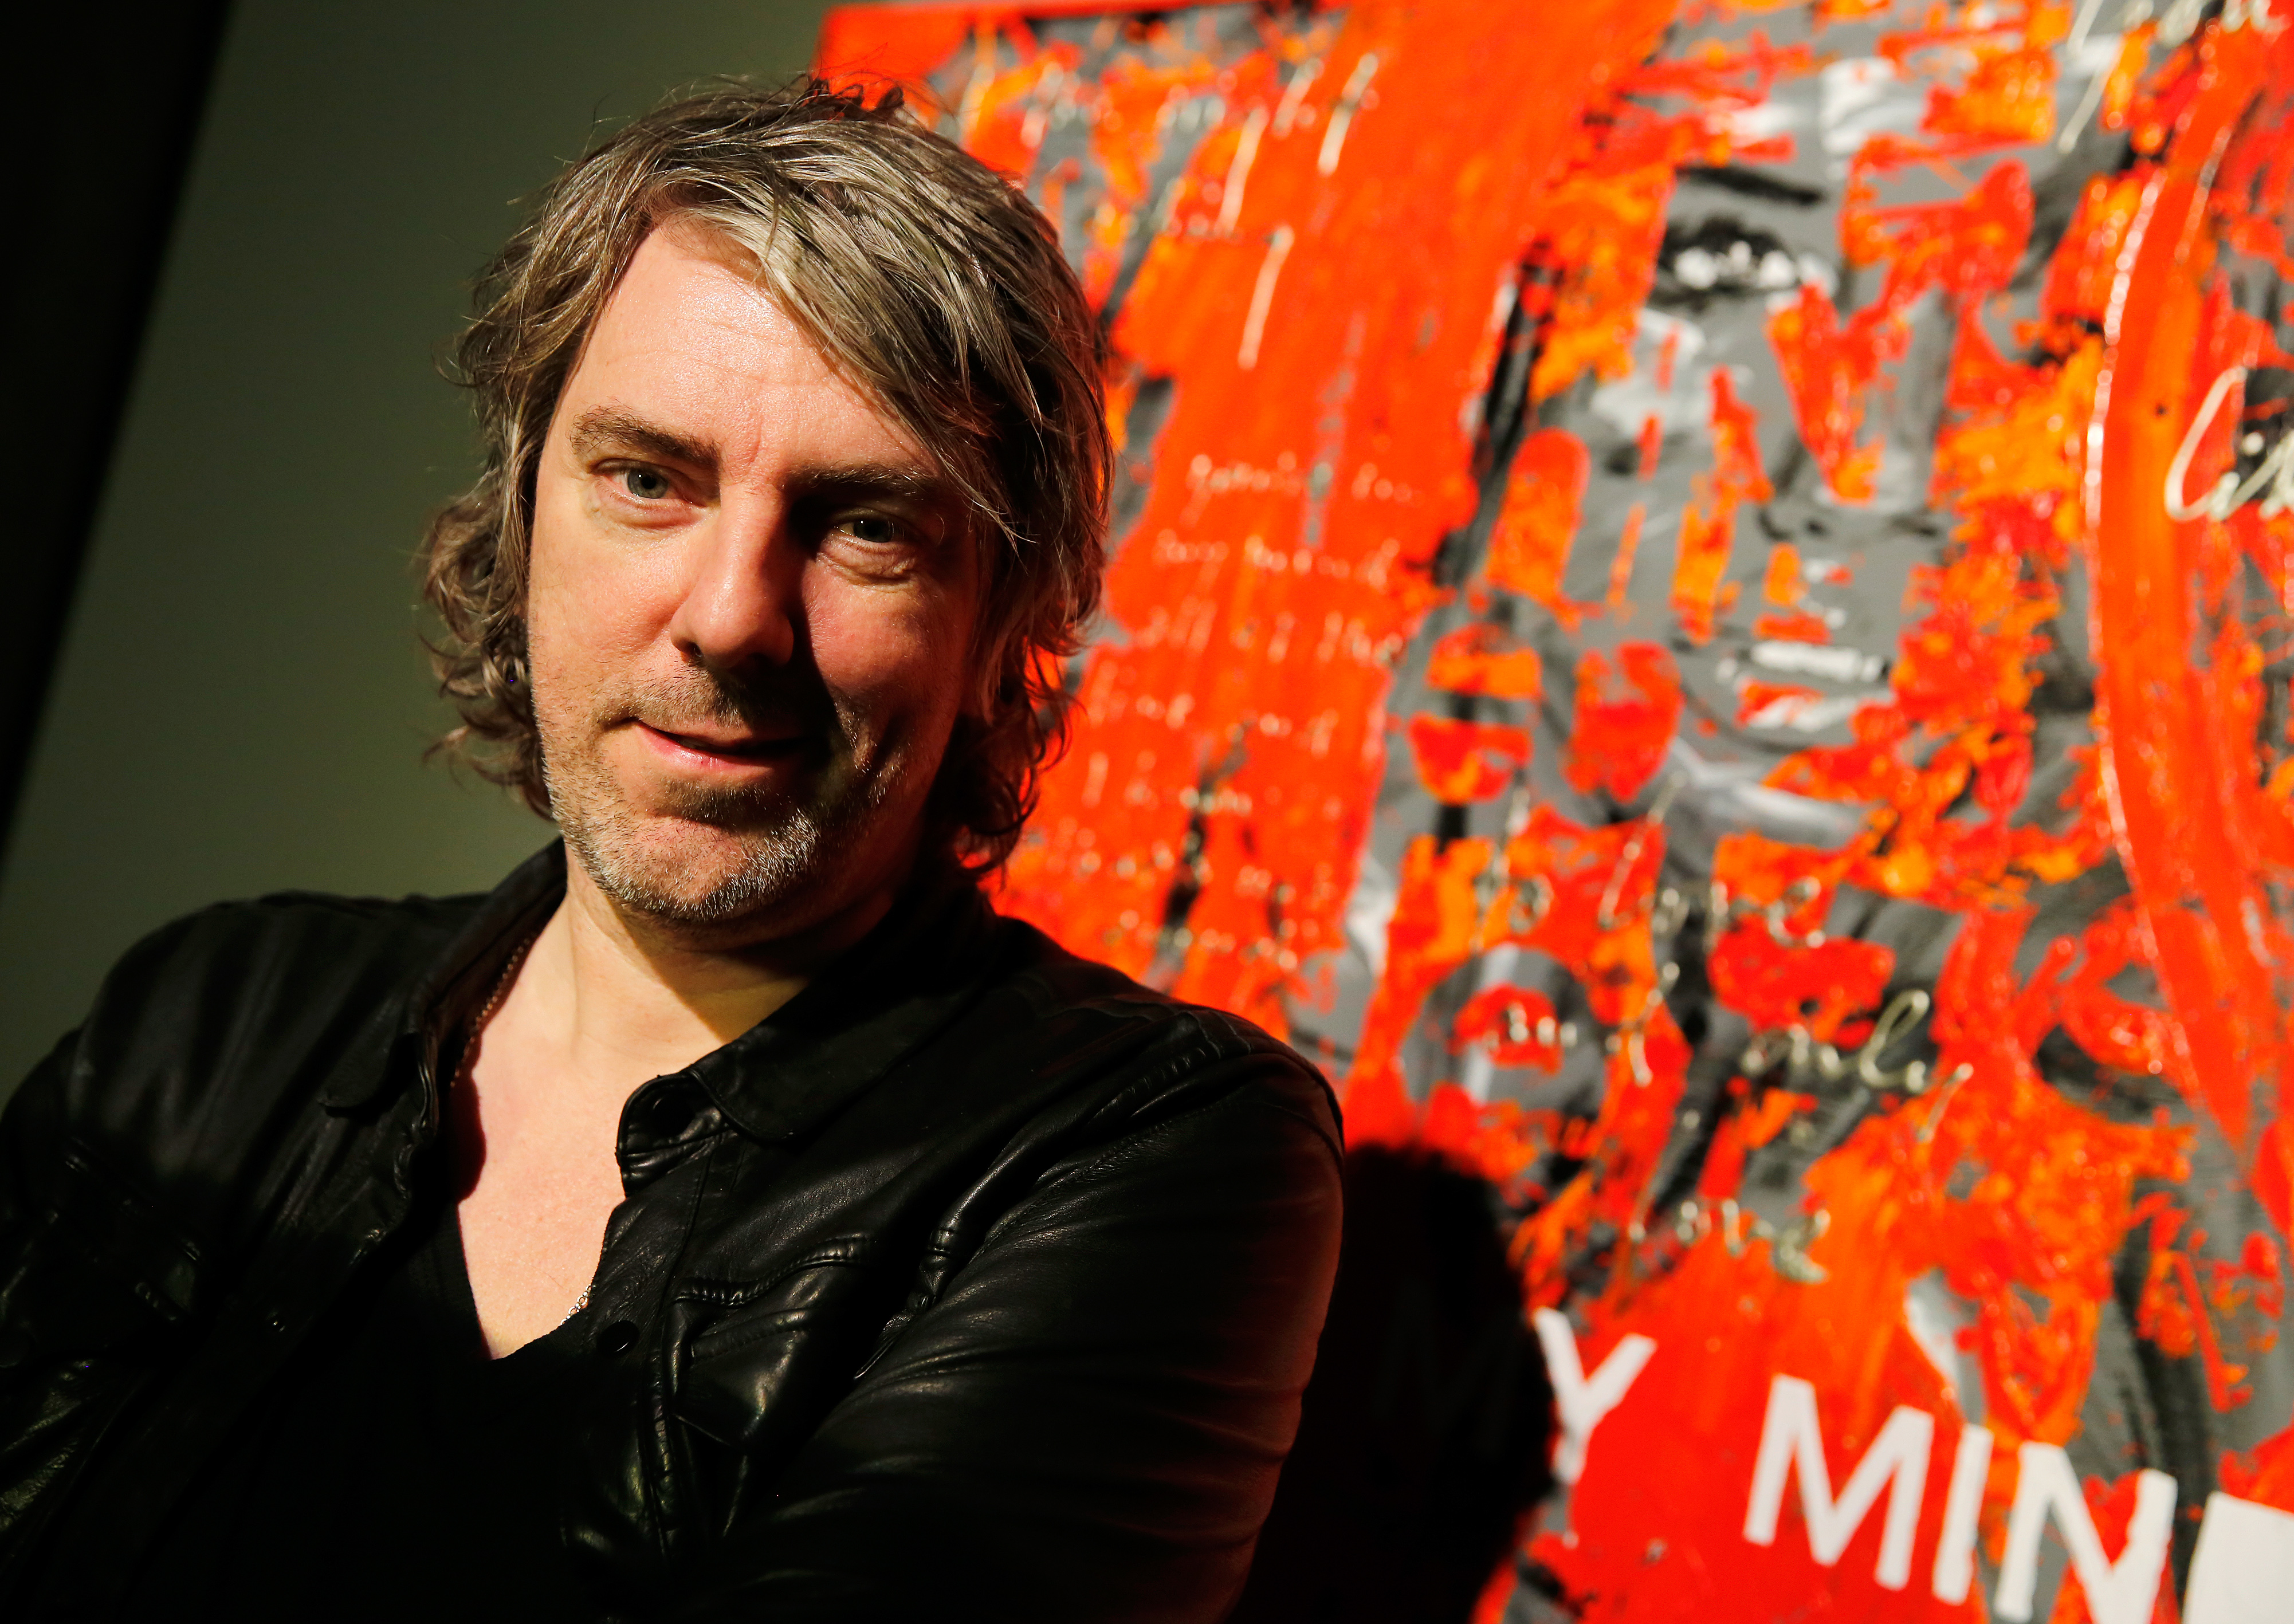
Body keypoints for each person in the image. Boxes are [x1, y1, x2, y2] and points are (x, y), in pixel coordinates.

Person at [0, 78, 1342, 1622]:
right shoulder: (210, 1017)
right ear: (523, 519)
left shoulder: (1138, 1152)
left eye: (867, 525)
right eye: (648, 479)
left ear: (1002, 625)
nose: (729, 617)